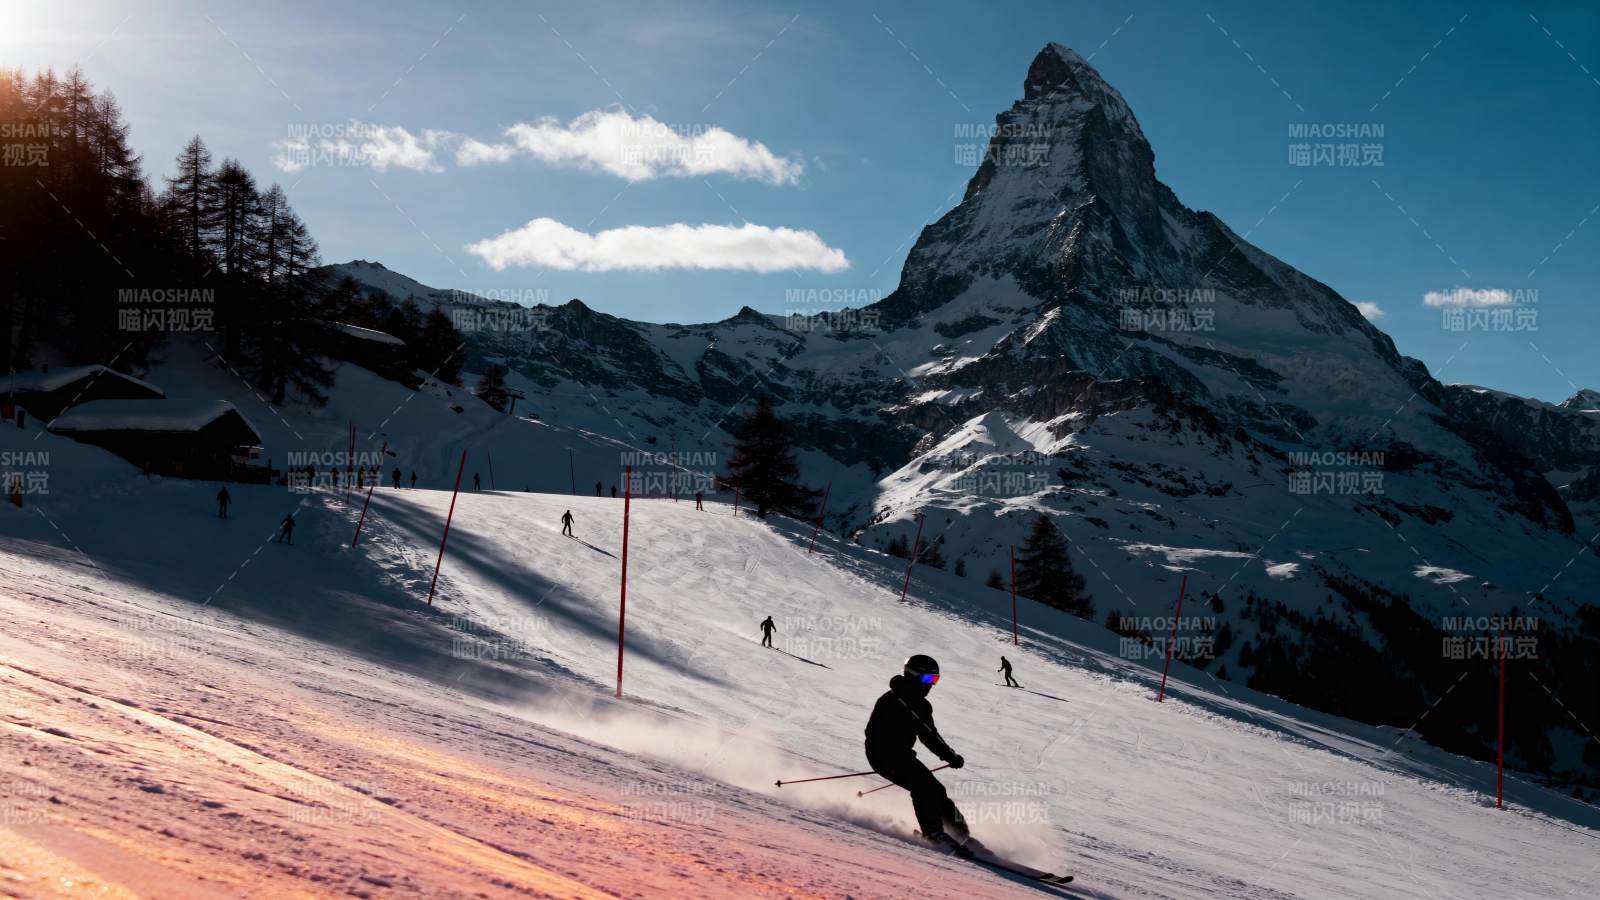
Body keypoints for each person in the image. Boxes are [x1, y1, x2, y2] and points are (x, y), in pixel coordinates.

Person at [864, 655, 969, 855]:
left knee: (938, 791)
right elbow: (926, 734)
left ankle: (962, 835)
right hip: (884, 756)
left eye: (935, 680)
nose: (931, 685)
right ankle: (933, 833)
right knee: (924, 788)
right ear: (913, 676)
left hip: (902, 756)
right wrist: (950, 756)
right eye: (927, 680)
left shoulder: (918, 703)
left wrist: (950, 755)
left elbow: (929, 734)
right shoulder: (897, 700)